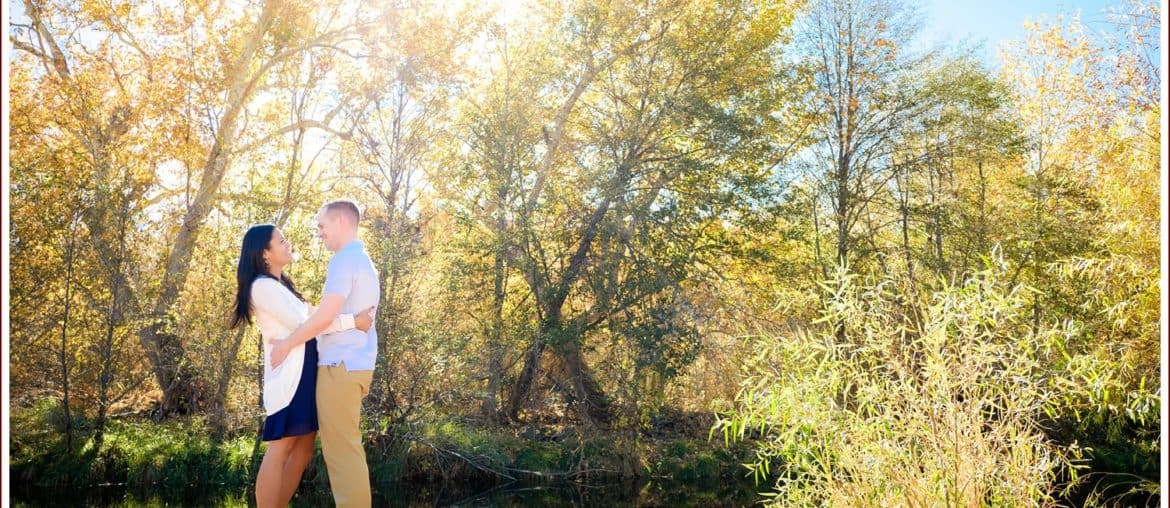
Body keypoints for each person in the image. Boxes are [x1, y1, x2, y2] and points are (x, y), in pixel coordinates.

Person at [230, 224, 373, 508]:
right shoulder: (263, 287)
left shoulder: (282, 286)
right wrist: (352, 322)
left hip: (307, 371)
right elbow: (308, 324)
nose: (288, 244)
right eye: (281, 241)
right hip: (290, 378)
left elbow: (312, 317)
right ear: (265, 254)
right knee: (282, 445)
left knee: (304, 448)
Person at [270, 200, 380, 508]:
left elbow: (325, 318)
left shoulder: (344, 260)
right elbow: (330, 314)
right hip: (353, 365)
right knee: (345, 451)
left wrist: (287, 343)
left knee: (342, 455)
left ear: (342, 222)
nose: (319, 233)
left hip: (340, 366)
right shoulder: (361, 260)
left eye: (322, 225)